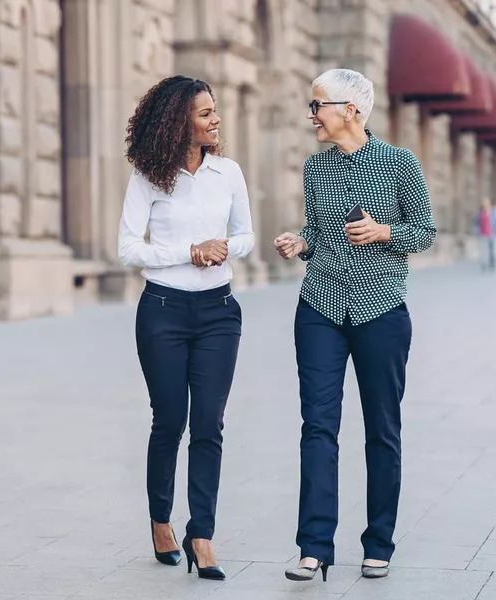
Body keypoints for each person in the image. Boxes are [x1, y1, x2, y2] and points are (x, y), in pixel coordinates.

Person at [273, 69, 435, 583]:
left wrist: (385, 230)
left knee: (381, 430)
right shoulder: (315, 169)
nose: (310, 114)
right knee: (318, 427)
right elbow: (318, 233)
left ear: (351, 110)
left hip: (381, 311)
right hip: (319, 308)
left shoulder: (399, 162)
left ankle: (379, 542)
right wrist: (300, 242)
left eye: (317, 104)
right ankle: (313, 547)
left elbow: (425, 231)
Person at [117, 75, 255, 580]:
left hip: (219, 313)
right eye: (204, 113)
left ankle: (203, 534)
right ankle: (160, 521)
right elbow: (128, 248)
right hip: (163, 313)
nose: (215, 119)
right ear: (179, 122)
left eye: (214, 110)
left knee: (209, 425)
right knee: (169, 420)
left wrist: (222, 247)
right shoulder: (149, 178)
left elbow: (245, 235)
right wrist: (187, 252)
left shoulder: (228, 173)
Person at [475, 199, 495, 271]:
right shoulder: (480, 213)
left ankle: (491, 262)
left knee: (490, 249)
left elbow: (494, 222)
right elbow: (476, 222)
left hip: (490, 233)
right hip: (482, 233)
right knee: (484, 249)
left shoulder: (492, 212)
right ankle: (484, 263)